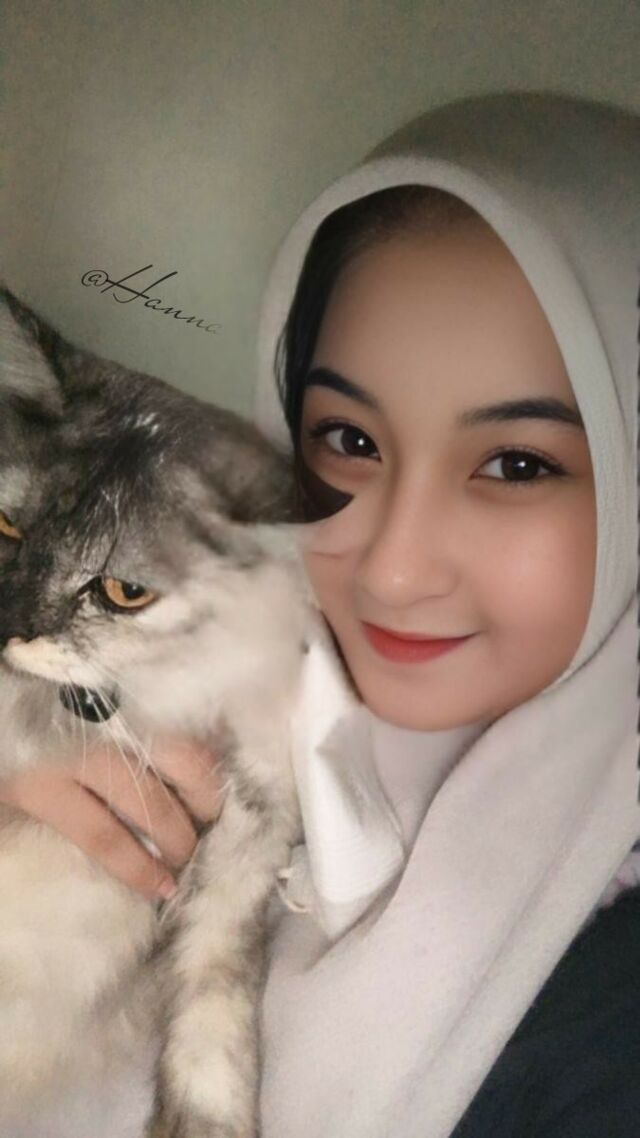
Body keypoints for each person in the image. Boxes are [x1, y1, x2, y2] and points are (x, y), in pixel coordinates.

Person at [1, 91, 638, 1137]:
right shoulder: (185, 687)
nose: (391, 567)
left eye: (519, 464)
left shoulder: (606, 1027)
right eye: (348, 440)